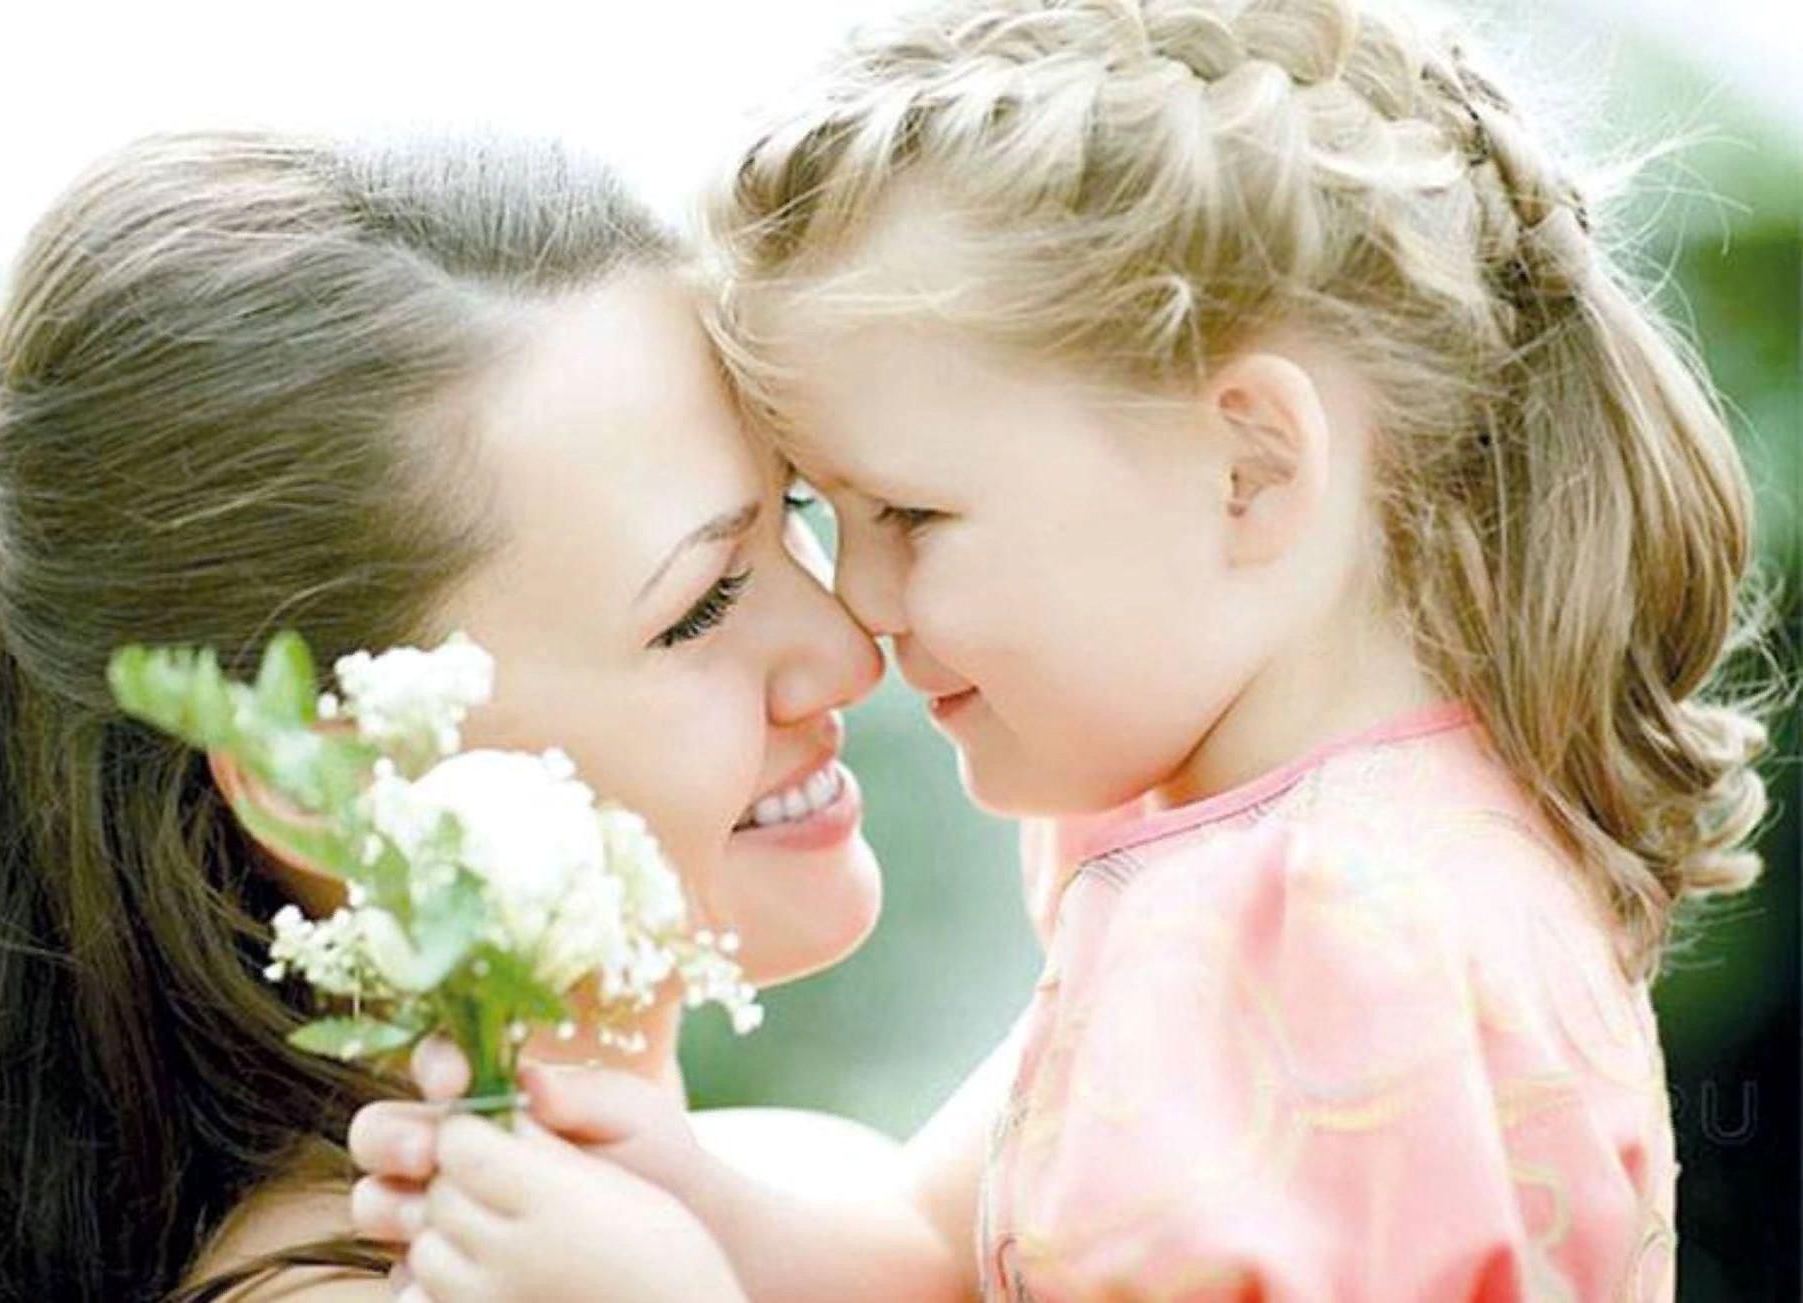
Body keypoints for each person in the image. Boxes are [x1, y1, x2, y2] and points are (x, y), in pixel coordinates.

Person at [353, 1, 1772, 1298]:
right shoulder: (1286, 856)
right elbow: (948, 1255)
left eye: (911, 514)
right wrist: (688, 1190)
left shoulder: (1330, 934)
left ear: (1249, 471)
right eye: (829, 514)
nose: (863, 608)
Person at [0, 128, 900, 1301]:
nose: (852, 650)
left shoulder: (832, 1202)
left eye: (796, 509)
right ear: (317, 782)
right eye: (702, 606)